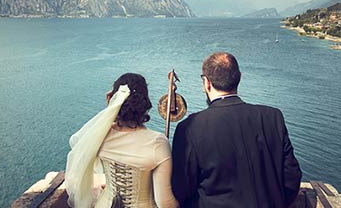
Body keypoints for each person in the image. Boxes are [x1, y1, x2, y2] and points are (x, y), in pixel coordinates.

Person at [171, 52, 302, 208]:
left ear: (206, 83)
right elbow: (292, 177)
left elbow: (181, 189)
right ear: (239, 77)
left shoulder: (189, 127)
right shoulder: (273, 117)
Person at [65, 73, 179, 208]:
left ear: (112, 99)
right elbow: (165, 203)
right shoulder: (157, 143)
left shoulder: (100, 134)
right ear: (145, 104)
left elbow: (77, 142)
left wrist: (110, 108)